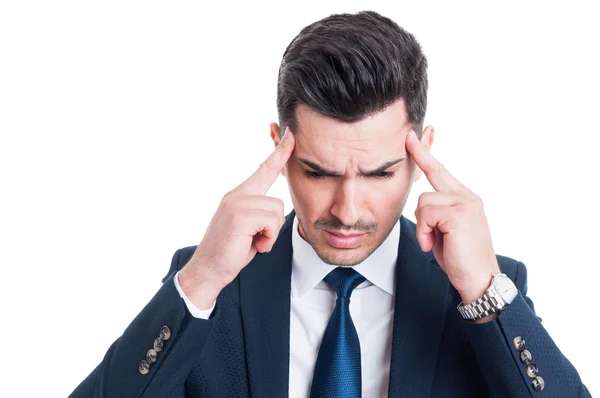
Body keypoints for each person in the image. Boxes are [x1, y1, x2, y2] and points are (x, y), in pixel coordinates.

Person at [70, 10, 590, 398]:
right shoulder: (210, 285)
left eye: (380, 173)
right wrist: (201, 280)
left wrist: (484, 291)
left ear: (421, 152)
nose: (346, 209)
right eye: (318, 172)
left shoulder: (483, 292)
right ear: (280, 145)